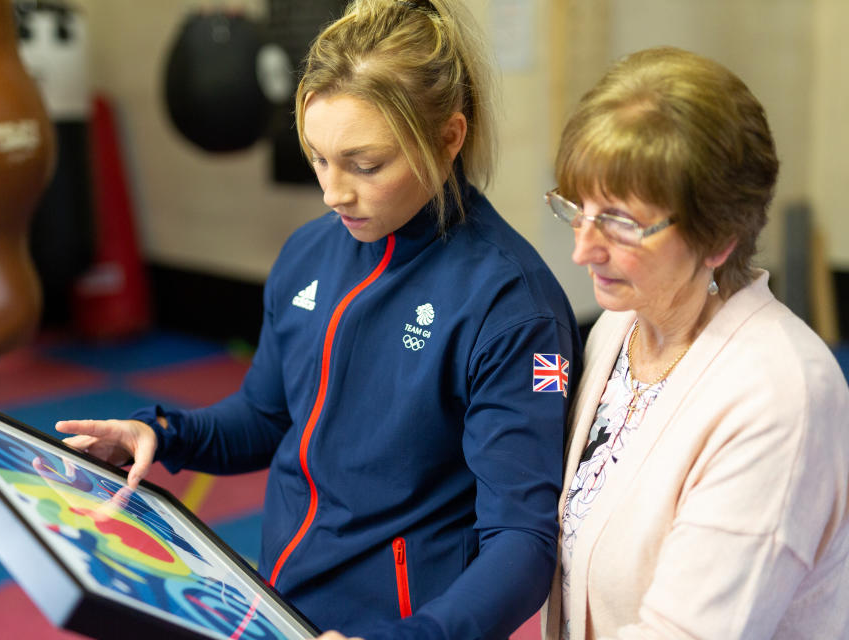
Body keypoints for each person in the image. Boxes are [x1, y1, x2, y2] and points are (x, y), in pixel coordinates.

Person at [57, 0, 582, 638]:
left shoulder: (510, 306)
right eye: (318, 158)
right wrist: (163, 434)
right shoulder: (309, 252)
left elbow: (522, 543)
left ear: (449, 138)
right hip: (277, 602)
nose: (333, 192)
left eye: (365, 166)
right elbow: (265, 416)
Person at [541, 46, 849, 639]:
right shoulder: (622, 324)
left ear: (719, 238)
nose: (583, 249)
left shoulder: (782, 398)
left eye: (623, 223)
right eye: (580, 209)